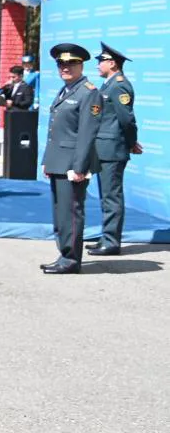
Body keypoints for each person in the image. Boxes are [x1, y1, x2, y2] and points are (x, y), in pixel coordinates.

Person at [40, 43, 102, 274]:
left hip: (72, 164)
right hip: (59, 161)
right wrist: (48, 160)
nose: (65, 68)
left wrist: (79, 167)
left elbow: (87, 133)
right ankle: (64, 253)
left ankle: (72, 259)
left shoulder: (88, 92)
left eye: (71, 63)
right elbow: (54, 131)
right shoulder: (66, 90)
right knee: (60, 212)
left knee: (71, 212)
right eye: (61, 64)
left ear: (81, 65)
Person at [88, 43, 141, 257]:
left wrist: (131, 143)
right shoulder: (108, 85)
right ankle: (106, 235)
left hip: (113, 148)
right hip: (104, 148)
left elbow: (126, 120)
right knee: (105, 196)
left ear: (112, 63)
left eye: (101, 61)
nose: (98, 65)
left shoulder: (119, 86)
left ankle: (111, 241)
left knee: (112, 197)